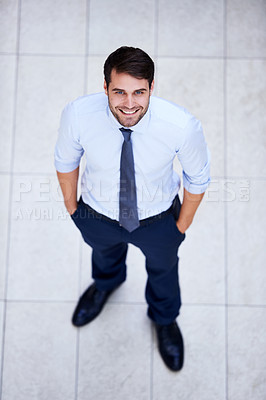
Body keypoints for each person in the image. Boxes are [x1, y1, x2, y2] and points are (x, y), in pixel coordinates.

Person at [54, 46, 210, 372]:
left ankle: (164, 318)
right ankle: (106, 284)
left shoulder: (181, 125)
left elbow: (197, 178)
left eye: (139, 91)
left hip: (159, 219)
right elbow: (66, 161)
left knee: (164, 270)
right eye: (119, 92)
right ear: (106, 88)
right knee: (104, 255)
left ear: (152, 87)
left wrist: (181, 225)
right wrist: (73, 209)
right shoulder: (79, 115)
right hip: (97, 213)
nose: (129, 103)